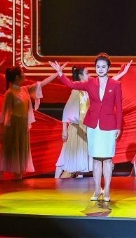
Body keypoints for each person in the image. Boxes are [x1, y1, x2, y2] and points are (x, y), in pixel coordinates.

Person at [50, 54, 123, 202]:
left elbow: (119, 108)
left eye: (103, 67)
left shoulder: (115, 84)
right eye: (98, 67)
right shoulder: (90, 82)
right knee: (96, 159)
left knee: (107, 159)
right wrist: (60, 73)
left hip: (109, 125)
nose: (100, 69)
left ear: (108, 68)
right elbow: (71, 85)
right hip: (93, 125)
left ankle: (106, 191)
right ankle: (96, 190)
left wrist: (118, 127)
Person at [56, 61, 131, 179]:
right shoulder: (78, 91)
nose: (90, 75)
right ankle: (58, 182)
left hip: (87, 127)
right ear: (81, 76)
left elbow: (107, 83)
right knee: (71, 160)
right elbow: (67, 110)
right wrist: (64, 129)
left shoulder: (90, 88)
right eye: (87, 73)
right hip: (77, 129)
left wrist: (122, 73)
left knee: (83, 161)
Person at [0, 65, 60, 180]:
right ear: (17, 77)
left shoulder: (25, 89)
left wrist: (57, 73)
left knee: (21, 154)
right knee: (7, 153)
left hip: (23, 127)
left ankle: (18, 180)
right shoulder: (9, 93)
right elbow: (3, 114)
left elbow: (42, 84)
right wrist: (2, 133)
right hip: (13, 127)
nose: (24, 75)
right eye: (22, 73)